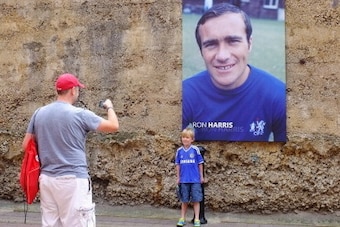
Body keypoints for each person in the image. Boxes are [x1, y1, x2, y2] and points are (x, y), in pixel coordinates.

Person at [22, 73, 119, 227]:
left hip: (47, 180)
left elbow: (26, 145)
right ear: (73, 90)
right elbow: (113, 126)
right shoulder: (80, 114)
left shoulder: (38, 113)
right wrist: (109, 106)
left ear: (57, 91)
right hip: (73, 180)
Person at [182, 3, 286, 142]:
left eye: (233, 41)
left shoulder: (279, 96)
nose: (222, 56)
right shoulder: (186, 93)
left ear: (249, 44)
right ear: (201, 51)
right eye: (211, 44)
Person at [175, 128, 204, 227]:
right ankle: (182, 218)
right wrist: (178, 177)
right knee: (184, 200)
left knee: (196, 200)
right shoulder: (179, 151)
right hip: (184, 180)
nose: (185, 139)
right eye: (183, 137)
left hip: (195, 179)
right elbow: (177, 165)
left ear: (192, 139)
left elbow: (200, 163)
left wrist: (201, 176)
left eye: (187, 137)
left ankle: (196, 219)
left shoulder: (195, 150)